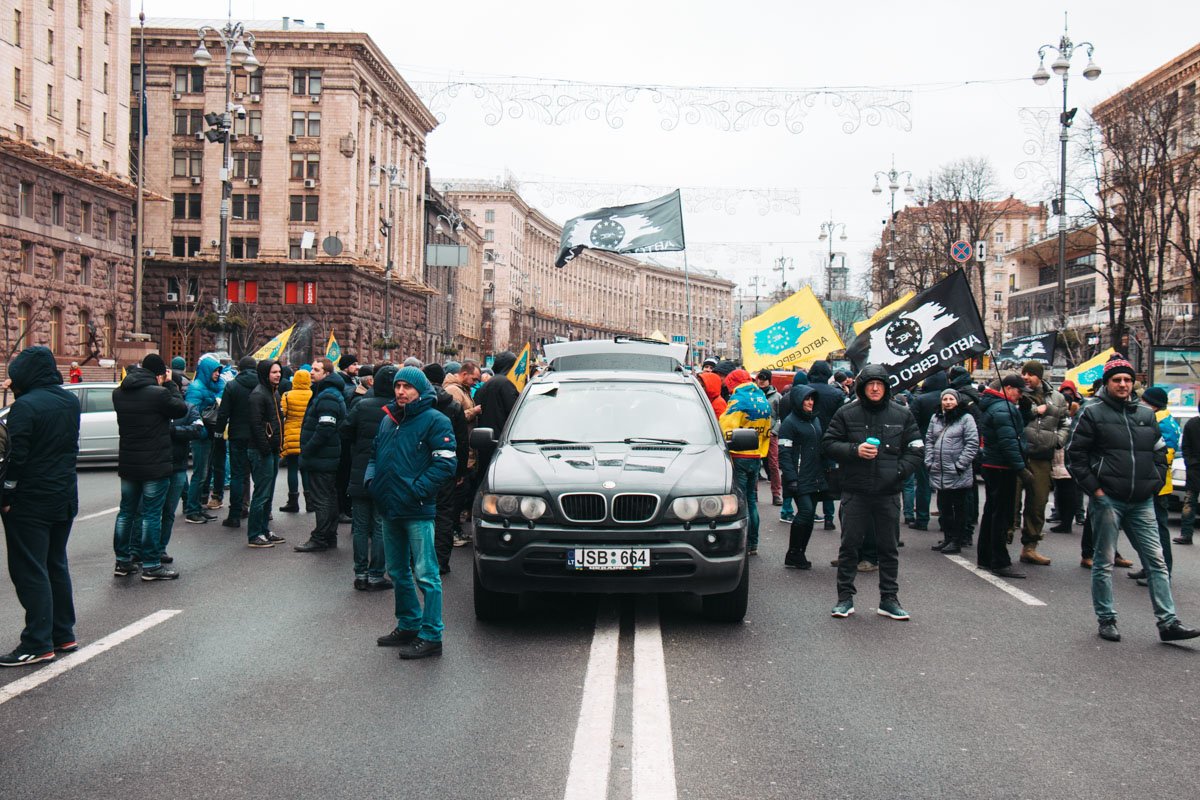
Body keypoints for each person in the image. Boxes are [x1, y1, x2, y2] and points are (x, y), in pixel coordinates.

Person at [1066, 356, 1200, 643]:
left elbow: (1160, 452)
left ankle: (1168, 622)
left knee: (1157, 562)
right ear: (1108, 383)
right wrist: (1096, 491)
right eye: (1118, 380)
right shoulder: (1092, 412)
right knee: (1104, 563)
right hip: (1107, 501)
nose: (1124, 384)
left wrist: (1152, 483)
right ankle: (1107, 619)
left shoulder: (1145, 414)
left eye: (1128, 380)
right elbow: (1074, 456)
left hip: (1142, 501)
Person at [368, 367, 458, 660]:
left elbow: (445, 464)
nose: (401, 391)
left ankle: (432, 634)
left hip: (417, 510)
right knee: (396, 571)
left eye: (407, 386)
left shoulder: (436, 420)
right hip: (389, 507)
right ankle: (408, 624)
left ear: (420, 390)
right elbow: (374, 455)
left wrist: (417, 490)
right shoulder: (388, 420)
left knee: (427, 575)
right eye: (398, 386)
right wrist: (372, 482)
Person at [821, 364, 922, 621]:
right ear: (862, 387)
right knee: (849, 547)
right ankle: (844, 599)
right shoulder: (846, 412)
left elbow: (916, 449)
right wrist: (855, 450)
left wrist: (898, 472)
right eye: (870, 384)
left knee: (888, 548)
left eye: (880, 384)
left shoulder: (902, 414)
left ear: (886, 387)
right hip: (855, 491)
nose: (875, 388)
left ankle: (889, 599)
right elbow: (829, 443)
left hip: (888, 493)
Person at [0, 347, 81, 666]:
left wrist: (6, 495)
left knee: (30, 569)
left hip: (30, 499)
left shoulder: (25, 407)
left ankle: (37, 641)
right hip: (64, 495)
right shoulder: (70, 402)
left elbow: (17, 458)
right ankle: (63, 633)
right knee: (55, 564)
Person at [111, 353, 188, 580]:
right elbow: (181, 409)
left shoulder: (119, 394)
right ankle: (152, 564)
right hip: (155, 464)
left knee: (126, 513)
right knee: (151, 515)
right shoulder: (159, 394)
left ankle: (122, 561)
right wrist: (171, 385)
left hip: (129, 463)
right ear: (158, 374)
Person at [343, 365, 397, 590]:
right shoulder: (396, 410)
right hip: (386, 475)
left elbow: (345, 432)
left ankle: (360, 574)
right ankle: (376, 574)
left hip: (360, 471)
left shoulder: (362, 405)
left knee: (361, 525)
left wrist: (358, 450)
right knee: (380, 525)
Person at [1014, 360, 1070, 566]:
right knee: (1011, 501)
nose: (1026, 377)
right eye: (1024, 373)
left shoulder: (1057, 397)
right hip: (1019, 454)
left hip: (1042, 457)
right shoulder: (1016, 393)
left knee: (1037, 503)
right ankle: (1003, 540)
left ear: (1040, 376)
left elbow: (1065, 422)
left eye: (1030, 374)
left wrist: (1059, 440)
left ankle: (1030, 547)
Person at [976, 374, 1030, 579]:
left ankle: (985, 556)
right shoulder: (1002, 409)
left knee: (992, 511)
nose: (1020, 395)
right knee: (1001, 515)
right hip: (1001, 466)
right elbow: (1009, 441)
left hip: (994, 464)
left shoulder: (999, 406)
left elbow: (1016, 428)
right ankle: (999, 560)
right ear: (1007, 388)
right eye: (1019, 391)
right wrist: (1020, 468)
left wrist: (1023, 408)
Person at [718, 369, 773, 555]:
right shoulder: (762, 399)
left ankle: (742, 543)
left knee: (740, 502)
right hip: (756, 456)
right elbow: (767, 431)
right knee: (751, 500)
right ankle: (754, 543)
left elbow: (725, 428)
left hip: (739, 455)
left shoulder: (738, 400)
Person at [295, 358, 347, 552]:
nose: (311, 372)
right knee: (328, 497)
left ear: (327, 373)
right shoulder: (326, 393)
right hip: (324, 456)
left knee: (322, 498)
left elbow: (325, 427)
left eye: (316, 370)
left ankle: (320, 537)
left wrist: (307, 450)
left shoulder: (328, 396)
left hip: (322, 457)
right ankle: (328, 535)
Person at [424, 364, 469, 573]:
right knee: (444, 514)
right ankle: (441, 562)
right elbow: (462, 441)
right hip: (447, 466)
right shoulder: (453, 405)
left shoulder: (419, 402)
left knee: (420, 513)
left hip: (420, 465)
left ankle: (420, 560)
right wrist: (460, 471)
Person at [1132, 386, 1180, 579]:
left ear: (1153, 404)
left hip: (1157, 484)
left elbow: (1164, 456)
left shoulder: (1161, 422)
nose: (1141, 403)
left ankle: (1163, 572)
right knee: (1148, 530)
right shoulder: (1164, 419)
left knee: (1158, 531)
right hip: (1155, 482)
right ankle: (1149, 567)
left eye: (1144, 400)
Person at [925, 388, 979, 555]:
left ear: (957, 401)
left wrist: (960, 465)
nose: (948, 402)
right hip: (939, 471)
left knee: (959, 508)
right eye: (945, 399)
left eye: (951, 399)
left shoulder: (966, 418)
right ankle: (948, 538)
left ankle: (957, 540)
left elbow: (972, 443)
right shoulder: (936, 418)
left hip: (957, 472)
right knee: (944, 507)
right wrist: (929, 461)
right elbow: (929, 440)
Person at [160, 367, 206, 562]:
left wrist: (172, 430)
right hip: (158, 465)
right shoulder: (156, 405)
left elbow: (198, 430)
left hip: (177, 466)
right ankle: (146, 551)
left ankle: (159, 549)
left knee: (168, 512)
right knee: (152, 512)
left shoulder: (188, 408)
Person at [778, 385, 824, 569]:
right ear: (798, 401)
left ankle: (800, 553)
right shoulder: (789, 423)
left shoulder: (815, 420)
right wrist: (791, 478)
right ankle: (793, 552)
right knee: (804, 512)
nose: (810, 402)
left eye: (812, 399)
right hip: (798, 477)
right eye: (806, 399)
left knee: (810, 514)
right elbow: (784, 453)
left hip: (814, 475)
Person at [246, 359, 286, 549]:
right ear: (264, 374)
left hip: (271, 450)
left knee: (268, 494)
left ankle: (264, 529)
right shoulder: (258, 395)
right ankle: (254, 534)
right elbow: (255, 426)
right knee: (261, 494)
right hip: (261, 451)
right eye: (273, 372)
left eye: (279, 371)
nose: (278, 375)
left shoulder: (274, 393)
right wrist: (265, 449)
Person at [215, 357, 258, 528]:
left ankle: (235, 514)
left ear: (239, 369)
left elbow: (223, 413)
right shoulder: (262, 385)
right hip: (257, 437)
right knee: (260, 476)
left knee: (238, 475)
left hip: (237, 436)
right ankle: (263, 512)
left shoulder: (232, 385)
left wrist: (218, 433)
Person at [806, 360, 848, 530]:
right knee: (829, 479)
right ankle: (829, 518)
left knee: (809, 479)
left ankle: (809, 513)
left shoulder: (805, 392)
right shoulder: (837, 394)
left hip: (809, 439)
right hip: (831, 440)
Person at [183, 354, 223, 523]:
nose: (217, 374)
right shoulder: (197, 387)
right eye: (215, 371)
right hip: (201, 437)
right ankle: (192, 509)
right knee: (200, 474)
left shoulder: (207, 386)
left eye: (219, 371)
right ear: (207, 370)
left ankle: (198, 507)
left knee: (205, 473)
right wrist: (203, 432)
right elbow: (191, 412)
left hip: (208, 435)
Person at [474, 351, 520, 468]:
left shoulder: (486, 385)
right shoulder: (505, 384)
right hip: (501, 441)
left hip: (485, 440)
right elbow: (515, 413)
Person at [1049, 381, 1083, 533]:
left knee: (1069, 493)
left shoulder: (1074, 420)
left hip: (1068, 462)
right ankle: (1063, 519)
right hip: (1057, 461)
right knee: (1061, 493)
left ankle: (1068, 521)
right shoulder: (1056, 418)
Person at [278, 368, 312, 513]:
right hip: (307, 436)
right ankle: (310, 502)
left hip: (291, 436)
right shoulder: (313, 394)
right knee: (306, 470)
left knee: (292, 468)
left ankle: (293, 502)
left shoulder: (287, 395)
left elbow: (282, 414)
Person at [754, 369, 783, 505]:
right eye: (759, 378)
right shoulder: (752, 395)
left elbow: (781, 417)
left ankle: (776, 494)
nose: (761, 381)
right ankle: (753, 493)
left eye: (764, 379)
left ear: (769, 380)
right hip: (755, 435)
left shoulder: (777, 397)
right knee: (754, 464)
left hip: (771, 435)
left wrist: (774, 431)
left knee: (773, 464)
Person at [1175, 400, 1199, 546]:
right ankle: (1186, 534)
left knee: (1189, 502)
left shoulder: (1191, 424)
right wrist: (1189, 462)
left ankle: (1186, 534)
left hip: (1193, 467)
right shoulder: (1192, 424)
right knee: (1190, 502)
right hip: (1195, 469)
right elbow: (1186, 446)